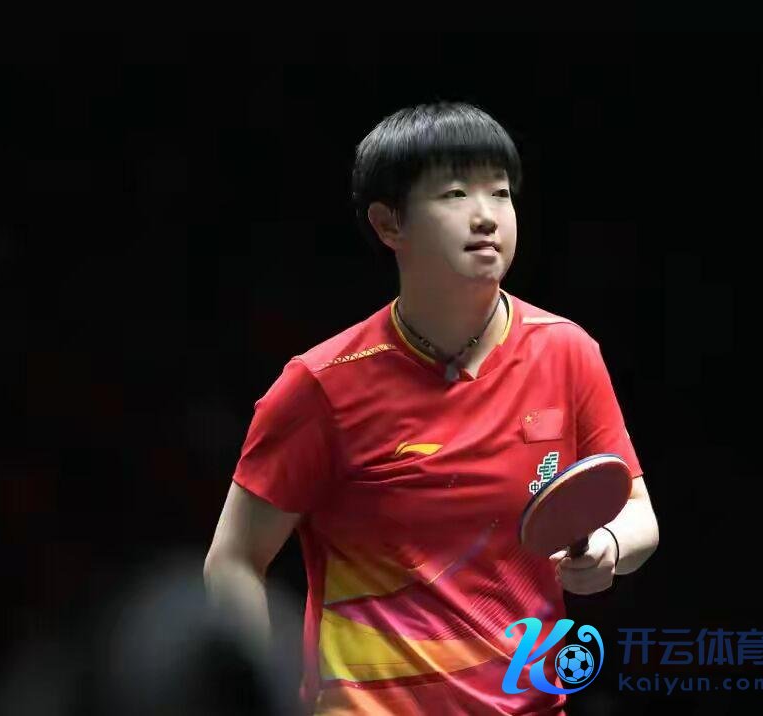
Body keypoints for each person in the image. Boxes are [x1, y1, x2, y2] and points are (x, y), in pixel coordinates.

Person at [203, 101, 659, 715]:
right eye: (454, 194)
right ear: (389, 224)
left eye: (500, 193)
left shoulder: (566, 352)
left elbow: (638, 513)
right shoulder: (321, 386)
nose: (486, 215)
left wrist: (609, 543)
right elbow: (234, 561)